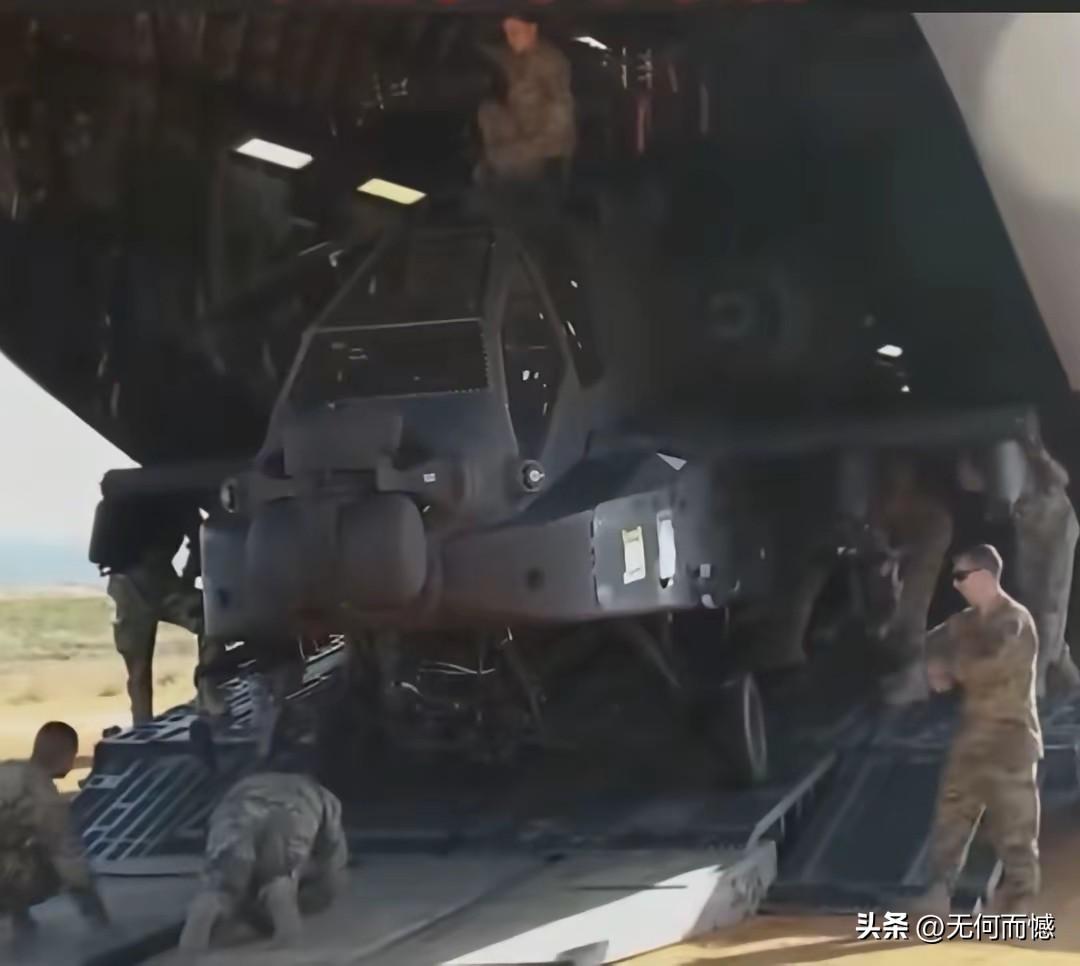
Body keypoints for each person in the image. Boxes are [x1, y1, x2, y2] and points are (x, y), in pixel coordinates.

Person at [910, 544, 1042, 917]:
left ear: (984, 576)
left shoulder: (1015, 621)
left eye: (961, 576)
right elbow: (926, 643)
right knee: (951, 818)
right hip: (973, 737)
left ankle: (1020, 902)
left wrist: (949, 669)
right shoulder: (965, 622)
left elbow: (992, 666)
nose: (956, 585)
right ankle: (938, 893)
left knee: (1015, 827)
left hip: (1010, 739)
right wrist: (931, 663)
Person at [177, 768, 348, 953]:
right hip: (291, 812)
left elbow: (213, 827)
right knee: (279, 877)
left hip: (236, 811)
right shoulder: (324, 796)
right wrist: (318, 876)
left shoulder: (246, 781)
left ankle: (191, 946)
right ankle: (286, 939)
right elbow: (332, 850)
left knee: (220, 887)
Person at [102, 502, 226, 726]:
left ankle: (145, 721)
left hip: (139, 582)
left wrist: (188, 576)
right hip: (139, 583)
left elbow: (197, 537)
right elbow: (198, 536)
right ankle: (204, 693)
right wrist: (188, 576)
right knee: (213, 619)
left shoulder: (145, 496)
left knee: (213, 620)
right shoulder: (174, 497)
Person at [0, 722, 109, 945]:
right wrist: (98, 914)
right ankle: (19, 922)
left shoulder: (10, 769)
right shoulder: (43, 795)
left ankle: (21, 919)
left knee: (18, 850)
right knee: (48, 865)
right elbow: (66, 855)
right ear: (64, 755)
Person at [1011, 438, 1080, 699]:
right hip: (1033, 533)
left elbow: (1060, 480)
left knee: (1049, 610)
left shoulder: (1040, 465)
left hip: (1055, 527)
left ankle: (1037, 681)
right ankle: (1060, 679)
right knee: (1039, 607)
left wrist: (1038, 452)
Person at [475, 12, 576, 185]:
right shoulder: (511, 59)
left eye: (515, 31)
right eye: (507, 32)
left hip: (540, 155)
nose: (510, 38)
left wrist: (510, 153)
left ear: (532, 29)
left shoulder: (549, 63)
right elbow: (490, 52)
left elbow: (559, 120)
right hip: (515, 151)